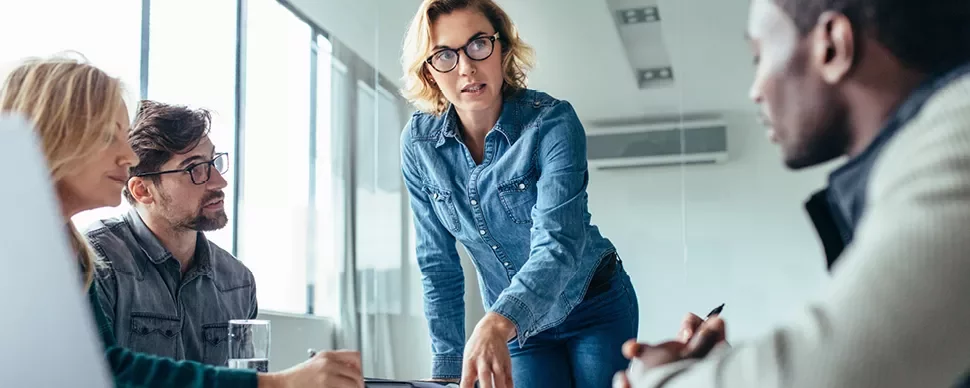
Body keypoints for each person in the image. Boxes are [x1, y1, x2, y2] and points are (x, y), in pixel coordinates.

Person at [615, 0, 970, 386]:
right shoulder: (912, 158)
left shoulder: (959, 135)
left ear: (832, 46)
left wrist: (664, 380)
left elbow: (835, 372)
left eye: (758, 56)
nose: (755, 90)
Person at [0, 55, 365, 388]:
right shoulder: (83, 256)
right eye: (109, 136)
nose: (127, 156)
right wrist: (278, 385)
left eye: (213, 163)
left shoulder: (68, 249)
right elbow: (109, 373)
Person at [399, 1, 638, 387]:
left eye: (479, 45)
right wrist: (445, 372)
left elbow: (558, 242)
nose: (466, 67)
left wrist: (496, 321)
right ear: (429, 71)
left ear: (503, 50)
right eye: (444, 54)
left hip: (594, 305)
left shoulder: (552, 122)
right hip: (517, 330)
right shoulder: (418, 144)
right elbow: (436, 264)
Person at [86, 100, 256, 366]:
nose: (219, 182)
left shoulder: (238, 282)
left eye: (214, 162)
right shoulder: (96, 263)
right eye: (195, 168)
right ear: (142, 191)